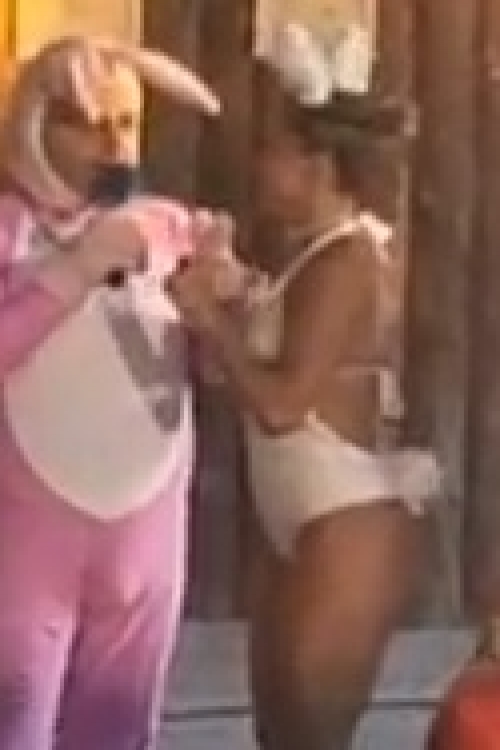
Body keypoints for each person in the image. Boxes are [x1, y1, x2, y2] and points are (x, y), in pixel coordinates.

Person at [169, 48, 442, 750]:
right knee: (279, 732)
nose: (263, 167)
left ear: (319, 167)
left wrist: (211, 320)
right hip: (297, 516)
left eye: (277, 153)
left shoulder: (348, 259)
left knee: (312, 734)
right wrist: (234, 296)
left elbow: (283, 405)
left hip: (345, 517)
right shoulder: (309, 253)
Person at [0, 35, 224, 750]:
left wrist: (217, 309)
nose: (112, 144)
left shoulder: (167, 226)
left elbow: (210, 372)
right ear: (38, 123)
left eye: (126, 123)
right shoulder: (8, 229)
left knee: (119, 726)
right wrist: (73, 272)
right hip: (28, 530)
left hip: (144, 528)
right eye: (89, 124)